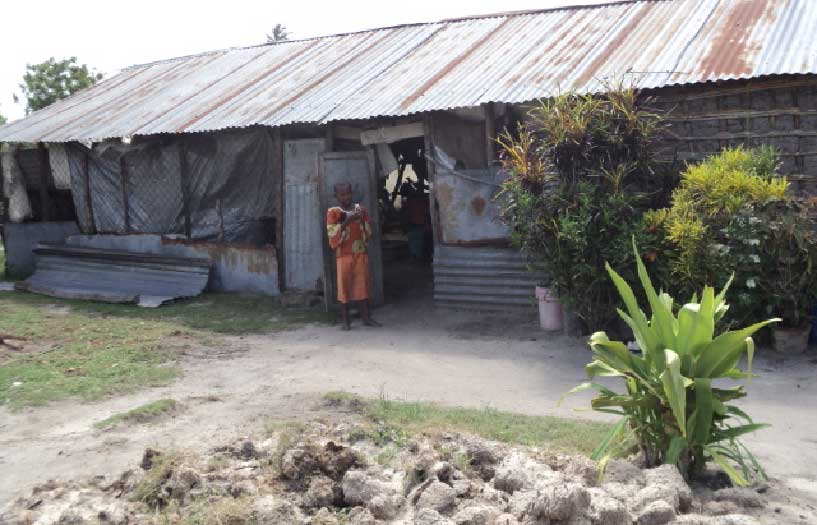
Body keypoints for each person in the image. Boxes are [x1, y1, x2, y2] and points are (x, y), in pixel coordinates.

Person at [326, 182, 381, 330]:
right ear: (336, 196)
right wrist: (348, 221)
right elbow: (332, 234)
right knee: (343, 288)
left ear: (352, 193)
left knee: (362, 286)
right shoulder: (333, 212)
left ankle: (366, 318)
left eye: (348, 193)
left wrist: (363, 218)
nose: (346, 197)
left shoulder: (359, 209)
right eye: (342, 194)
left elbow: (368, 231)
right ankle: (346, 321)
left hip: (360, 253)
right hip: (343, 255)